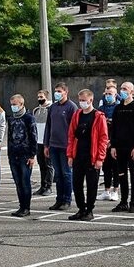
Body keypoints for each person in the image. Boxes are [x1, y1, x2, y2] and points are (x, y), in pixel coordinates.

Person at [66, 89, 109, 221]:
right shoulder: (77, 115)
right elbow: (71, 136)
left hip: (92, 156)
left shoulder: (98, 116)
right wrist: (70, 155)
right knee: (77, 184)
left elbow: (103, 138)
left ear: (91, 100)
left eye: (84, 100)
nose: (82, 103)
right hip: (78, 155)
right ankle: (81, 209)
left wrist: (100, 158)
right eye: (80, 100)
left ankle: (89, 210)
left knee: (91, 185)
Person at [109, 81, 134, 213]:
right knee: (121, 175)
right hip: (119, 147)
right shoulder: (118, 108)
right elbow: (114, 128)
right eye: (121, 88)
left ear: (131, 91)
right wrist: (113, 146)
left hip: (132, 148)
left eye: (125, 88)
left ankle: (133, 203)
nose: (122, 90)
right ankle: (123, 202)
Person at [43, 82, 77, 211]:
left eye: (59, 91)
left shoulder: (71, 107)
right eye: (56, 91)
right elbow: (48, 126)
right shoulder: (52, 107)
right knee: (58, 175)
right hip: (53, 145)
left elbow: (74, 129)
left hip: (65, 147)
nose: (57, 93)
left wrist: (72, 147)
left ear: (65, 92)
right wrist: (46, 144)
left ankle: (66, 200)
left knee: (66, 174)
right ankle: (59, 199)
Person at [6, 94, 38, 217]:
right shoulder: (12, 118)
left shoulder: (29, 118)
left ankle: (26, 207)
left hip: (25, 155)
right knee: (18, 182)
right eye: (12, 104)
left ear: (21, 104)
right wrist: (9, 154)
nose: (13, 107)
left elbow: (33, 137)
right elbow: (9, 137)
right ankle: (21, 206)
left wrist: (32, 155)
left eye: (15, 104)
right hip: (13, 155)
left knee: (25, 182)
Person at [97, 83, 120, 202]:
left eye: (110, 94)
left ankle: (116, 191)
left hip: (115, 142)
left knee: (116, 167)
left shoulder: (119, 107)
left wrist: (113, 141)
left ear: (116, 95)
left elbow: (120, 127)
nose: (108, 96)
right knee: (106, 167)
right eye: (106, 94)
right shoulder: (101, 109)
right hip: (104, 142)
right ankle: (106, 191)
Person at [32, 90, 53, 196]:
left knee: (48, 165)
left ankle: (49, 186)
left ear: (46, 97)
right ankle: (42, 186)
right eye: (38, 97)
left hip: (47, 142)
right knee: (41, 165)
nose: (39, 99)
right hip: (38, 141)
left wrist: (48, 142)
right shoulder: (36, 110)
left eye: (41, 97)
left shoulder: (51, 109)